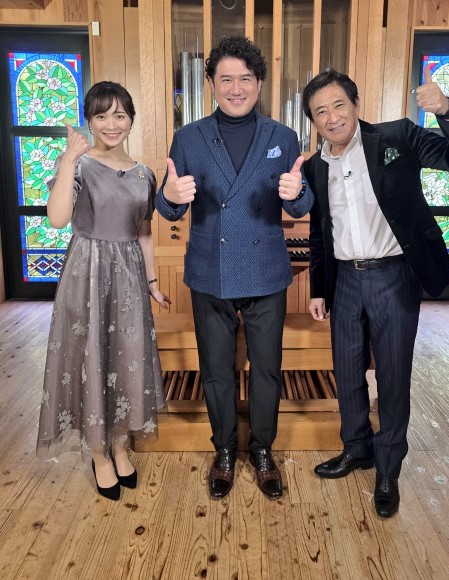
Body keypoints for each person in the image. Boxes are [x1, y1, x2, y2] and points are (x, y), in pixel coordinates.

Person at [302, 67, 449, 517]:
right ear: (313, 120)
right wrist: (319, 289)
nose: (332, 117)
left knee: (392, 375)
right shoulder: (314, 166)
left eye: (339, 105)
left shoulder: (397, 137)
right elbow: (321, 233)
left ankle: (388, 467)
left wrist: (447, 110)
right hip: (345, 280)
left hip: (394, 275)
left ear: (356, 105)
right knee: (346, 373)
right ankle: (357, 448)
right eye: (321, 112)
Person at [156, 34, 313, 499]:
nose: (236, 87)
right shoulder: (188, 138)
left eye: (245, 78)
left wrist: (298, 194)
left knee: (267, 369)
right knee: (216, 370)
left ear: (259, 83)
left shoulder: (282, 137)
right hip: (210, 270)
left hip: (266, 271)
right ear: (211, 83)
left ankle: (262, 450)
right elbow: (169, 206)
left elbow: (301, 202)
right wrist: (169, 197)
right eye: (226, 79)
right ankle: (224, 450)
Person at [37, 81, 169, 501]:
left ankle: (119, 444)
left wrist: (152, 283)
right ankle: (99, 454)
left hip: (129, 277)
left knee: (125, 359)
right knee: (91, 358)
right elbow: (57, 219)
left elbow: (144, 232)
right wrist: (68, 159)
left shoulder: (144, 173)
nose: (111, 124)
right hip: (87, 273)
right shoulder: (78, 164)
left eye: (120, 115)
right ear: (89, 121)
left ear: (131, 119)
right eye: (101, 115)